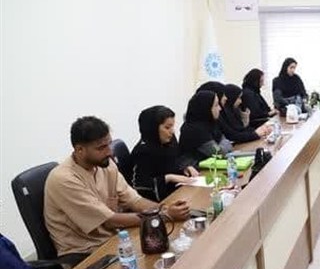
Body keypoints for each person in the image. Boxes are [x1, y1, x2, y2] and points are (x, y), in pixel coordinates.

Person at [44, 117, 190, 257]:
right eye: (101, 148)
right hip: (84, 253)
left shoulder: (106, 165)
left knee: (177, 249)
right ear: (80, 149)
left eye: (109, 144)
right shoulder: (64, 178)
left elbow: (135, 200)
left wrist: (164, 209)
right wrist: (165, 216)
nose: (110, 152)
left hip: (115, 239)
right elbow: (110, 220)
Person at [130, 106, 200, 203]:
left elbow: (175, 161)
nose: (172, 131)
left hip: (176, 193)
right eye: (167, 127)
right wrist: (168, 178)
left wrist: (185, 168)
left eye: (172, 126)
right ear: (153, 128)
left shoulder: (169, 142)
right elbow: (139, 185)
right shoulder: (142, 151)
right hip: (155, 203)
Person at [179, 90, 233, 168]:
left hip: (210, 166)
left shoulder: (210, 123)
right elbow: (219, 153)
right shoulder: (194, 129)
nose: (220, 108)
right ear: (206, 108)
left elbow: (223, 140)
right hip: (197, 170)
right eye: (216, 105)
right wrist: (224, 145)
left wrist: (223, 145)